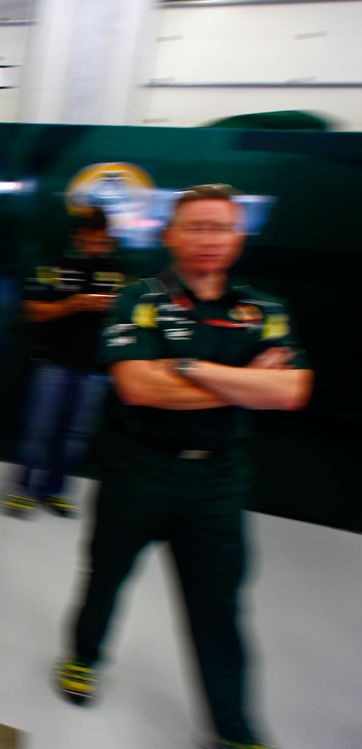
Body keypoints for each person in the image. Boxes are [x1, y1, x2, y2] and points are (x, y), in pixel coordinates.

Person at [55, 183, 312, 749]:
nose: (207, 240)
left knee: (218, 606)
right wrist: (247, 383)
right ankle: (84, 656)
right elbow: (139, 386)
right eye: (194, 227)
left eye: (220, 227)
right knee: (106, 574)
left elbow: (292, 391)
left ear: (238, 238)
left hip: (219, 480)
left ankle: (233, 727)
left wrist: (190, 367)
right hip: (138, 468)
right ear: (170, 236)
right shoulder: (138, 300)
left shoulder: (263, 310)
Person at [3, 207, 125, 518]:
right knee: (38, 430)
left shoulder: (118, 271)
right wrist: (75, 304)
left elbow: (130, 315)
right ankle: (22, 489)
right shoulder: (52, 265)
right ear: (78, 236)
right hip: (53, 361)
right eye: (91, 241)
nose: (97, 248)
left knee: (76, 436)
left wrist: (113, 307)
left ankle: (55, 489)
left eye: (103, 242)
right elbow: (32, 310)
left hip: (96, 367)